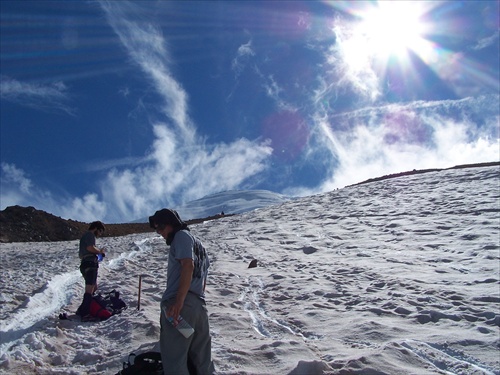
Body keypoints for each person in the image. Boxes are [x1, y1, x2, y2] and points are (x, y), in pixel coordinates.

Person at [149, 209, 215, 375]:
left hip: (180, 306)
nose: (160, 233)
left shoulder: (181, 237)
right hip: (198, 308)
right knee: (201, 359)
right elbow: (203, 279)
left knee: (175, 358)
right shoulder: (200, 246)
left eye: (162, 227)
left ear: (173, 222)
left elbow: (188, 265)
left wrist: (179, 302)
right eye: (157, 229)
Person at [76, 221, 106, 321]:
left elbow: (82, 253)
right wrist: (100, 252)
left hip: (85, 263)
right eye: (100, 231)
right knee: (90, 288)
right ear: (96, 228)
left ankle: (82, 309)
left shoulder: (84, 237)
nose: (100, 234)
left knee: (93, 287)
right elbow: (90, 247)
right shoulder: (90, 235)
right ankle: (85, 314)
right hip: (90, 263)